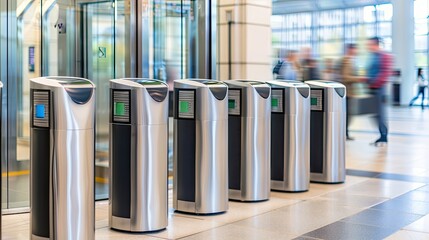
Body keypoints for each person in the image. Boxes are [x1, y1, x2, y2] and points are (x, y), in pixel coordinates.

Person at [366, 37, 393, 146]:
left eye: (370, 44)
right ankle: (381, 135)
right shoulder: (372, 56)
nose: (368, 47)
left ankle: (383, 136)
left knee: (380, 114)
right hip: (371, 88)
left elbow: (385, 73)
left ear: (376, 44)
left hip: (379, 89)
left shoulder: (385, 56)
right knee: (374, 114)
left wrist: (374, 83)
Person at [340, 43, 366, 140]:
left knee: (348, 114)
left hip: (349, 92)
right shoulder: (347, 61)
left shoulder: (350, 60)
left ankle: (345, 133)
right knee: (346, 114)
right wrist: (358, 79)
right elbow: (345, 77)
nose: (356, 52)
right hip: (347, 92)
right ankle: (344, 134)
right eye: (355, 49)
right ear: (350, 50)